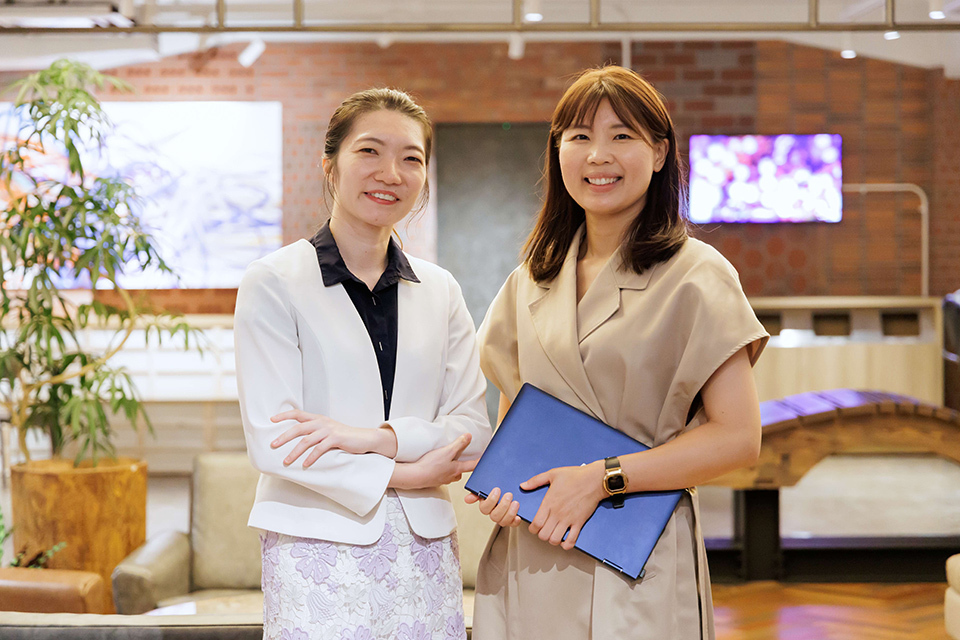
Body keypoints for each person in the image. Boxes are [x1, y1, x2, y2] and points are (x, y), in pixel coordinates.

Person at [467, 66, 769, 640]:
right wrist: (503, 493)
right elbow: (514, 422)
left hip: (637, 552)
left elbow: (737, 436)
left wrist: (603, 478)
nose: (597, 155)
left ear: (659, 154)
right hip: (536, 551)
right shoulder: (529, 280)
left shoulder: (698, 275)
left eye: (621, 136)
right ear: (557, 151)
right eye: (579, 137)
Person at [234, 88, 492, 640]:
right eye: (369, 151)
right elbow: (274, 441)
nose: (391, 173)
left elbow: (471, 435)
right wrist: (411, 473)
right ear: (330, 165)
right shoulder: (275, 281)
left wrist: (369, 439)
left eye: (411, 158)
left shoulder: (442, 290)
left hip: (423, 549)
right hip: (314, 546)